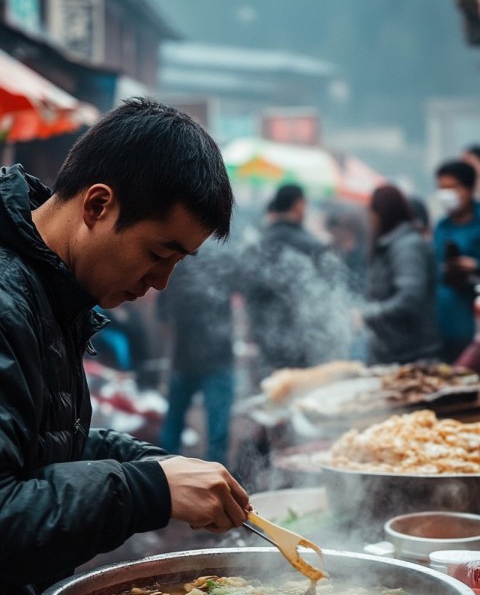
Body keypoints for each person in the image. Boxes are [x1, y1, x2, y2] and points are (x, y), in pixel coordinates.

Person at [0, 97, 251, 595]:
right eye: (159, 252)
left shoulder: (46, 290)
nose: (160, 284)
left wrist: (152, 461)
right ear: (98, 204)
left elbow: (39, 445)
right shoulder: (6, 298)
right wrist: (147, 491)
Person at [240, 183, 352, 382]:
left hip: (267, 343)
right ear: (299, 205)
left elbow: (249, 294)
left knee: (272, 397)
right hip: (306, 344)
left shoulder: (258, 246)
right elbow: (330, 297)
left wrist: (257, 332)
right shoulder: (314, 246)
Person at [157, 238, 236, 466]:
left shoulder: (177, 267)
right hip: (205, 361)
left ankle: (164, 471)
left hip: (196, 359)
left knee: (176, 425)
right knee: (214, 430)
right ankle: (213, 476)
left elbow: (162, 320)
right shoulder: (219, 265)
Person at [352, 183, 441, 365]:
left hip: (411, 354)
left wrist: (368, 314)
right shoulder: (390, 245)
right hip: (392, 351)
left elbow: (409, 298)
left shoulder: (407, 246)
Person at [433, 159, 480, 363]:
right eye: (441, 188)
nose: (446, 194)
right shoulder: (441, 226)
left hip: (473, 325)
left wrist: (475, 266)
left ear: (469, 189)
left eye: (451, 187)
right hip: (442, 324)